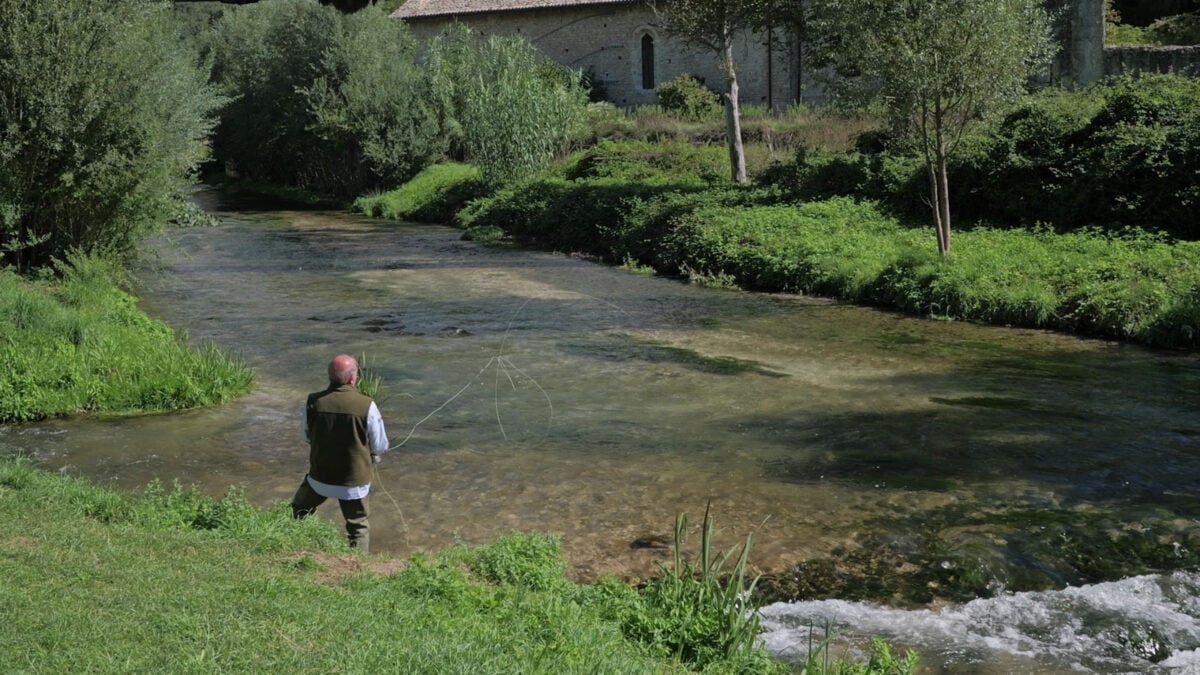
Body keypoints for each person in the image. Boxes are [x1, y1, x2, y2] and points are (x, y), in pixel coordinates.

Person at [291, 354, 389, 553]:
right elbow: (380, 445)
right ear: (353, 378)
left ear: (330, 376)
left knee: (300, 508)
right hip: (353, 485)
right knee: (358, 526)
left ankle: (295, 546)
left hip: (319, 480)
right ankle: (358, 567)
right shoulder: (367, 405)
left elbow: (306, 435)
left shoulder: (312, 402)